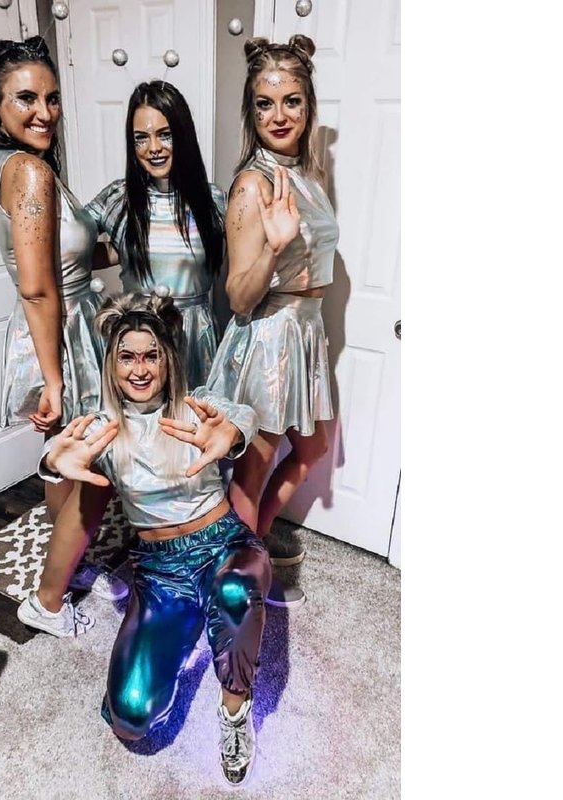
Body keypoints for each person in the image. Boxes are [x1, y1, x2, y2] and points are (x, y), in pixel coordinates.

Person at [17, 293, 271, 787]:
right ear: (111, 364)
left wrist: (232, 434)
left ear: (167, 359)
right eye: (127, 357)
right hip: (160, 571)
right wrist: (51, 462)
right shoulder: (103, 427)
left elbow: (241, 415)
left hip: (224, 545)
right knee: (130, 719)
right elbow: (62, 452)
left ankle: (235, 709)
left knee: (235, 592)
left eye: (151, 356)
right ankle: (188, 628)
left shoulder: (196, 404)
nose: (139, 369)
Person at [0, 33, 126, 602]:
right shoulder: (29, 172)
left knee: (68, 459)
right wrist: (54, 381)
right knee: (87, 459)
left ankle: (73, 563)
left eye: (52, 98)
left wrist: (131, 245)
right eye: (27, 98)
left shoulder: (12, 165)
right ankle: (51, 595)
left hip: (67, 321)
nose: (45, 112)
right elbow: (37, 289)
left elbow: (66, 258)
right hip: (60, 329)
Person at [206, 35, 339, 607]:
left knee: (311, 450)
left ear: (308, 106)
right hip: (269, 339)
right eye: (265, 103)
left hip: (305, 332)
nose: (279, 115)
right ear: (251, 111)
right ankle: (232, 593)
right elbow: (238, 296)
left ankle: (249, 554)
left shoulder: (307, 173)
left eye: (291, 101)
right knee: (250, 476)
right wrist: (274, 247)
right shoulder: (252, 184)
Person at [85, 81, 226, 390]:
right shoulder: (118, 198)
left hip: (195, 340)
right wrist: (120, 250)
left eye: (165, 134)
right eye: (141, 138)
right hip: (139, 340)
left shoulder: (213, 200)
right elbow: (70, 245)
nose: (153, 148)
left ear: (183, 135)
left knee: (194, 418)